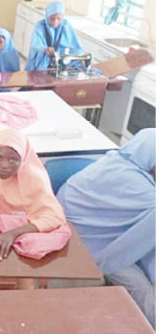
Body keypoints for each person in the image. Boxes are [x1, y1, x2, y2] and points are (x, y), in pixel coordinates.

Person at [57, 128, 155, 327]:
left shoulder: (116, 159)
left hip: (89, 229)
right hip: (85, 241)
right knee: (141, 287)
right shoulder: (139, 189)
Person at [0, 129, 68, 260]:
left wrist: (12, 234)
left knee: (25, 273)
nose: (4, 165)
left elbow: (54, 218)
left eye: (13, 160)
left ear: (23, 159)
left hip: (20, 233)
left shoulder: (34, 178)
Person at [25, 1, 83, 71]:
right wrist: (44, 50)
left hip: (60, 62)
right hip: (43, 62)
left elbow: (76, 48)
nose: (55, 22)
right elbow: (35, 47)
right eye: (52, 19)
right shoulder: (40, 26)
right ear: (47, 16)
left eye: (59, 19)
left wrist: (79, 57)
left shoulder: (66, 26)